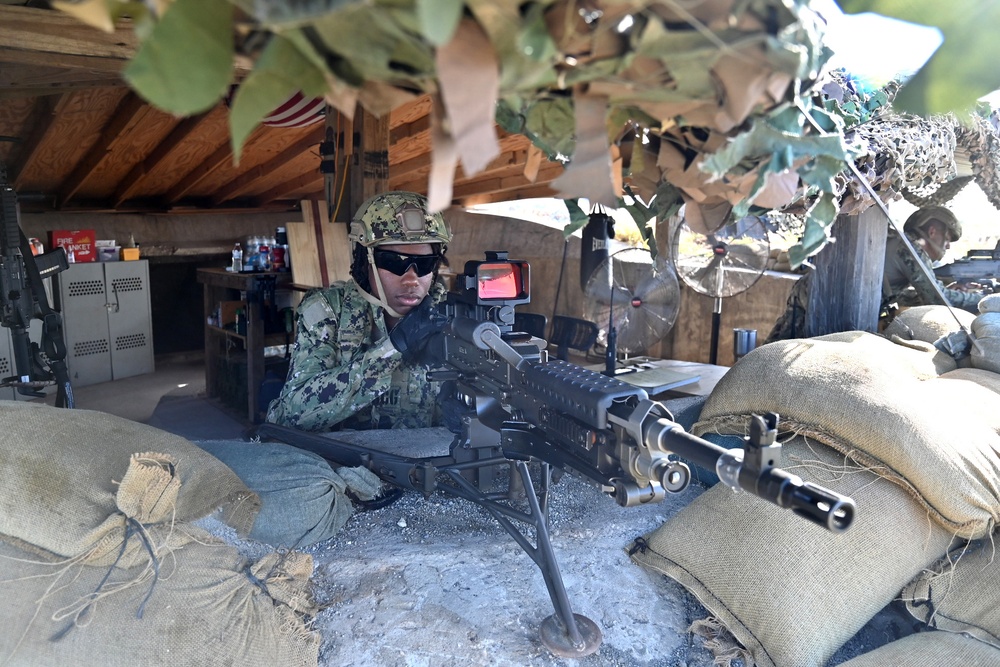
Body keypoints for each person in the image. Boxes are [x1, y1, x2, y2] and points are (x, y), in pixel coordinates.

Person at [266, 191, 452, 432]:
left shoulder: (451, 313)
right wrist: (392, 349)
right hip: (339, 463)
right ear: (365, 261)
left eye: (425, 264)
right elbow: (291, 414)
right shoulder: (328, 311)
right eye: (394, 262)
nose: (411, 279)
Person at [766, 205, 984, 342]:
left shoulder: (897, 244)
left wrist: (950, 290)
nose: (947, 247)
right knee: (780, 349)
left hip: (820, 295)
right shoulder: (909, 249)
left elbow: (893, 293)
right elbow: (938, 299)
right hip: (824, 300)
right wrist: (982, 300)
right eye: (946, 239)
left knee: (783, 346)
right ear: (932, 231)